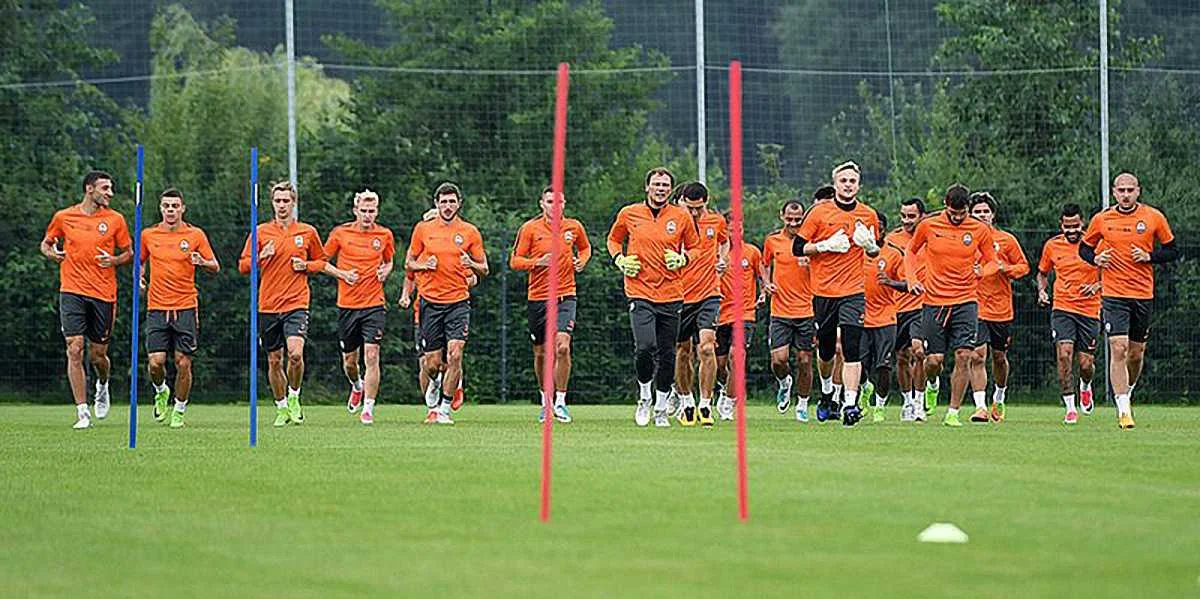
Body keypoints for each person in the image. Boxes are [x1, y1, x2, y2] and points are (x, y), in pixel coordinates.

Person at [1080, 172, 1178, 429]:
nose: (1125, 195)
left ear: (1138, 191)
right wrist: (1095, 259)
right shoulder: (1102, 219)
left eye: (1130, 190)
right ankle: (1123, 409)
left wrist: (1149, 256)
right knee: (1118, 348)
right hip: (1113, 294)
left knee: (1135, 354)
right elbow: (1084, 248)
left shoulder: (1153, 217)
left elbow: (1173, 250)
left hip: (1143, 294)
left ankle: (1128, 389)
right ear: (1114, 192)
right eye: (1121, 190)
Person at [607, 167, 700, 428]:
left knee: (668, 352)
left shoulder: (681, 216)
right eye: (656, 184)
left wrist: (682, 258)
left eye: (665, 185)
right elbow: (613, 240)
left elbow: (695, 247)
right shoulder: (629, 213)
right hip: (640, 291)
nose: (660, 189)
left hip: (671, 293)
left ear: (670, 190)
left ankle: (661, 407)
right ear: (647, 187)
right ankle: (644, 397)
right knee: (645, 347)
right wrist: (620, 259)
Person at [791, 162, 881, 427]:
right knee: (827, 350)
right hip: (823, 291)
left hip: (853, 290)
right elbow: (798, 248)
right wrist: (824, 246)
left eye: (852, 181)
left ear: (859, 185)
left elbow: (875, 252)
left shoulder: (868, 214)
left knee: (852, 346)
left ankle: (850, 404)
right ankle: (828, 392)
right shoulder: (819, 212)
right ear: (835, 184)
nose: (848, 185)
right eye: (843, 180)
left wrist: (870, 246)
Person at [41, 171, 133, 428]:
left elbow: (129, 253)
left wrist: (114, 260)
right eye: (105, 188)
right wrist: (52, 254)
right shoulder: (64, 217)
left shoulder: (115, 220)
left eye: (111, 188)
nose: (110, 193)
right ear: (89, 189)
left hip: (103, 293)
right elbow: (46, 244)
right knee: (74, 347)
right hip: (72, 290)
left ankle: (102, 384)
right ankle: (82, 412)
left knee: (98, 355)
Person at [906, 184, 1000, 427]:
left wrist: (982, 271)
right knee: (934, 360)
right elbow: (911, 251)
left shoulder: (979, 229)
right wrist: (912, 278)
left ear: (968, 208)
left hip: (966, 301)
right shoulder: (929, 225)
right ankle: (932, 384)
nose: (958, 218)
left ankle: (953, 412)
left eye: (962, 213)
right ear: (945, 206)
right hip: (934, 302)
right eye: (953, 213)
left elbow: (992, 262)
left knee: (964, 355)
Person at [238, 181, 330, 427]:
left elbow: (321, 261)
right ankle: (281, 407)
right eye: (278, 201)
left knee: (296, 354)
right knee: (274, 360)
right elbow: (243, 266)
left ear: (293, 203)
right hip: (268, 304)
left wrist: (306, 266)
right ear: (272, 203)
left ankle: (294, 396)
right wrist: (261, 256)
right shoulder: (260, 232)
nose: (282, 205)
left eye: (286, 201)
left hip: (296, 302)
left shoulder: (307, 232)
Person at [406, 182, 488, 425]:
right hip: (430, 303)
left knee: (455, 353)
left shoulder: (470, 232)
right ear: (436, 204)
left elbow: (484, 268)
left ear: (459, 204)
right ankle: (434, 384)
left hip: (458, 303)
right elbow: (409, 263)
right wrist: (424, 265)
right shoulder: (423, 229)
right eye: (444, 202)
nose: (448, 206)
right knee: (431, 364)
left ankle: (443, 410)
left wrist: (471, 264)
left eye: (452, 201)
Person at [510, 186, 591, 424]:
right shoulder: (529, 228)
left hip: (566, 295)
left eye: (559, 202)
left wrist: (582, 261)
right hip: (538, 298)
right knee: (541, 354)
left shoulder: (573, 227)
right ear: (541, 204)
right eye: (549, 202)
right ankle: (545, 399)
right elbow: (515, 261)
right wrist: (537, 262)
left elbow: (585, 248)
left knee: (563, 347)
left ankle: (561, 401)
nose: (555, 206)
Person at [138, 188, 219, 428]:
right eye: (166, 206)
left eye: (175, 206)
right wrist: (140, 278)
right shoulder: (148, 234)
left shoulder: (195, 234)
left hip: (185, 306)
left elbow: (215, 266)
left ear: (183, 208)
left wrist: (201, 262)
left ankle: (179, 410)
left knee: (183, 362)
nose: (171, 210)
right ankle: (161, 390)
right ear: (161, 209)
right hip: (157, 306)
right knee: (156, 362)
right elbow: (139, 262)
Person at [323, 189, 395, 426]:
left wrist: (386, 270)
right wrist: (342, 274)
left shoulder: (384, 235)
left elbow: (389, 261)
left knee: (372, 355)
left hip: (374, 304)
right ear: (355, 210)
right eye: (363, 210)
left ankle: (368, 408)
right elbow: (322, 262)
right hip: (347, 305)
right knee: (350, 362)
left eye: (371, 211)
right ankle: (356, 385)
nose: (367, 215)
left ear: (377, 212)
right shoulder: (340, 233)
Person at [1038, 203, 1102, 424]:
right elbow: (1042, 273)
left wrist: (1097, 286)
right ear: (1061, 225)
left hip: (1090, 310)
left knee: (1085, 364)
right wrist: (1042, 291)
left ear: (1082, 223)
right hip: (1063, 308)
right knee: (1064, 354)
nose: (1072, 230)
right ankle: (1070, 407)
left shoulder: (1095, 244)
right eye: (1067, 226)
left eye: (1076, 226)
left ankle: (1085, 385)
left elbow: (1112, 272)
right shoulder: (1052, 245)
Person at [671, 181, 728, 427]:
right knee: (682, 351)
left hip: (709, 293)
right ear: (681, 202)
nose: (694, 213)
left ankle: (705, 404)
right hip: (678, 295)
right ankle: (686, 402)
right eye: (690, 208)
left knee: (706, 348)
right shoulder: (672, 222)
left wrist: (722, 259)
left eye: (699, 208)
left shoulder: (716, 221)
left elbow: (724, 242)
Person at [968, 192, 1029, 423]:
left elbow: (1023, 267)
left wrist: (1006, 268)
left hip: (1001, 309)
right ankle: (980, 407)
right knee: (977, 355)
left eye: (985, 211)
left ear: (992, 215)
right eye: (977, 212)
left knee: (999, 357)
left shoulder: (1006, 240)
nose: (982, 215)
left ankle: (999, 395)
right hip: (974, 306)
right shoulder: (966, 240)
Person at [763, 199, 816, 422]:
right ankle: (785, 383)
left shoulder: (810, 243)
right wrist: (766, 283)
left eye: (798, 219)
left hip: (806, 310)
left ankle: (802, 403)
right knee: (779, 360)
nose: (794, 223)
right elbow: (764, 264)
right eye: (790, 219)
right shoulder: (772, 241)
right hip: (780, 311)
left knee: (804, 360)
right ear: (782, 216)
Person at [715, 213, 766, 421]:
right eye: (731, 229)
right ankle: (724, 387)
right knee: (719, 365)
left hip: (744, 313)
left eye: (740, 229)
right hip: (720, 314)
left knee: (738, 356)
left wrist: (763, 293)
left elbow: (762, 276)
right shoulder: (717, 253)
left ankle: (729, 401)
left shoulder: (752, 252)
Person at [885, 198, 930, 421]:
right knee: (901, 357)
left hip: (922, 305)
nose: (906, 220)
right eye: (903, 215)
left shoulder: (931, 237)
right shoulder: (891, 240)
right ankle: (907, 402)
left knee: (918, 352)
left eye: (911, 216)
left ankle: (920, 403)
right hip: (896, 306)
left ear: (922, 216)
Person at [860, 214, 905, 423]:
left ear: (884, 230)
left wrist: (890, 282)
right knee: (858, 364)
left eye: (877, 228)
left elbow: (907, 283)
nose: (874, 232)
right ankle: (865, 387)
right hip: (860, 317)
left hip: (886, 318)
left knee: (884, 365)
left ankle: (879, 406)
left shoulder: (894, 254)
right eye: (870, 228)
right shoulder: (855, 252)